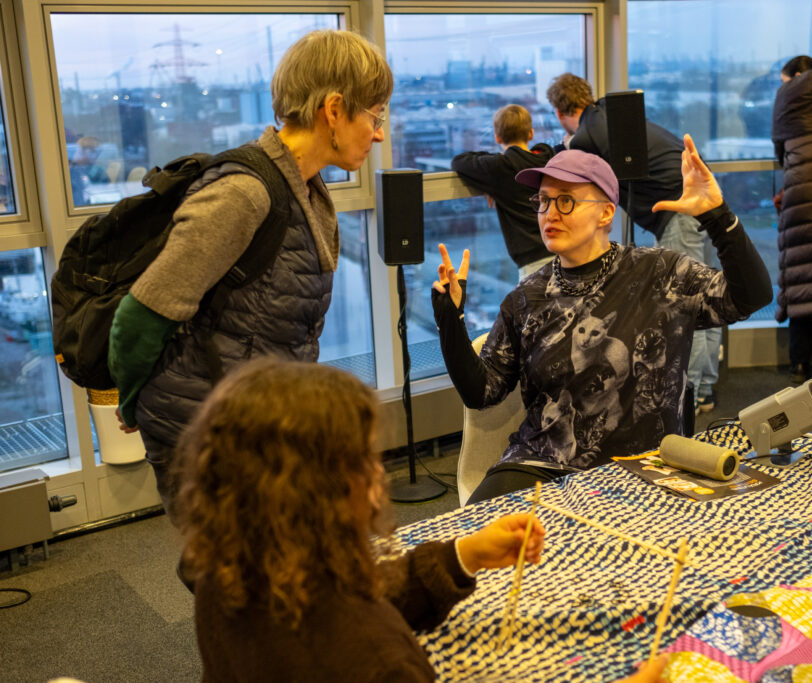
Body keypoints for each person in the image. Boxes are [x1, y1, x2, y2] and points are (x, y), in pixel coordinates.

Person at [177, 357, 669, 683]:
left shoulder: (229, 571)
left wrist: (462, 556)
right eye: (366, 460)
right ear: (327, 490)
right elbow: (356, 625)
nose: (378, 475)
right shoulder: (378, 660)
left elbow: (359, 594)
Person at [108, 29, 393, 516]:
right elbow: (140, 315)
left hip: (254, 417)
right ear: (334, 109)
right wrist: (131, 402)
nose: (380, 132)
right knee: (239, 576)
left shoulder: (306, 185)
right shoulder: (245, 193)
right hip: (202, 423)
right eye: (375, 116)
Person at [432, 143, 772, 503]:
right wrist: (450, 320)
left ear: (607, 213)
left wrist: (718, 217)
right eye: (543, 201)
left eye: (566, 201)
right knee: (473, 537)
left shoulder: (660, 273)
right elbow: (481, 392)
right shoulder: (525, 298)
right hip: (542, 464)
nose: (549, 213)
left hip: (645, 468)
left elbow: (750, 296)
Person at [546, 73, 722, 411]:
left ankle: (693, 393)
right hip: (699, 202)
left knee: (686, 306)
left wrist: (567, 148)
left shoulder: (586, 134)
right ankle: (707, 388)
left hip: (677, 212)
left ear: (559, 112)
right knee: (707, 296)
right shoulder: (613, 119)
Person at [770, 55, 812, 383]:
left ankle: (799, 364)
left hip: (802, 197)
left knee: (800, 277)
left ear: (796, 76)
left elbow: (781, 153)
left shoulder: (788, 97)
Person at [451, 104, 556, 280]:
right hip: (562, 251)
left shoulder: (501, 167)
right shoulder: (548, 157)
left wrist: (491, 178)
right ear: (530, 133)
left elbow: (459, 162)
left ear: (497, 138)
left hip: (532, 261)